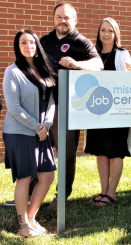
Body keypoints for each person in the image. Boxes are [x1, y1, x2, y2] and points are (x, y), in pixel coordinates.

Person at [29, 3, 102, 209]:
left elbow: (98, 64)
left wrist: (77, 64)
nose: (63, 20)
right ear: (53, 19)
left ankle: (61, 195)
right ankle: (32, 193)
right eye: (59, 16)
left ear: (75, 20)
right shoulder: (44, 41)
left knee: (66, 152)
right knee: (37, 151)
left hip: (66, 107)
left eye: (67, 17)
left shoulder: (80, 42)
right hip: (41, 105)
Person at [2, 29, 56, 237]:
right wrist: (37, 127)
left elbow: (51, 101)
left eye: (32, 42)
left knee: (47, 175)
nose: (28, 46)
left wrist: (47, 124)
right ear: (18, 47)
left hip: (41, 131)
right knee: (24, 178)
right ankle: (22, 226)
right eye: (23, 43)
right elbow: (14, 108)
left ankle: (31, 218)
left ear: (37, 46)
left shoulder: (43, 70)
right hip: (20, 132)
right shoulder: (13, 72)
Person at [85, 17, 131, 206]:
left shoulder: (122, 53)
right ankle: (103, 191)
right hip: (97, 109)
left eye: (110, 31)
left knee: (115, 152)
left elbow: (130, 80)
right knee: (101, 152)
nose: (106, 34)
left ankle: (112, 193)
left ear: (116, 34)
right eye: (103, 30)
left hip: (117, 110)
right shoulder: (93, 53)